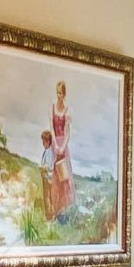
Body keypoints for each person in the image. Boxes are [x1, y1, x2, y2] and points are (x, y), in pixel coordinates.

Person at [49, 80, 74, 218]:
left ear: (64, 94)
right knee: (55, 176)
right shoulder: (52, 108)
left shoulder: (67, 111)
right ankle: (55, 208)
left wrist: (62, 146)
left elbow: (67, 132)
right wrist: (56, 145)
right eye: (57, 93)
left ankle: (65, 211)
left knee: (64, 177)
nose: (59, 96)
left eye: (61, 93)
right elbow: (52, 128)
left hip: (63, 146)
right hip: (55, 144)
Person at [38, 129, 57, 220]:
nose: (42, 143)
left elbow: (50, 166)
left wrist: (42, 167)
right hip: (46, 176)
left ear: (48, 141)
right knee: (47, 196)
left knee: (47, 197)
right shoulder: (47, 151)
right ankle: (49, 215)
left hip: (48, 177)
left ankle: (49, 216)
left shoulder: (49, 152)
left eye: (44, 141)